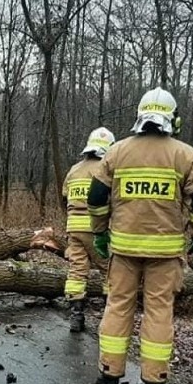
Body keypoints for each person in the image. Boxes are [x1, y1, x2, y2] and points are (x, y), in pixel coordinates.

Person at [87, 88, 193, 384]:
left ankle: (109, 374)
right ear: (173, 118)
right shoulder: (187, 155)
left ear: (139, 115)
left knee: (118, 306)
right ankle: (155, 383)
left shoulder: (116, 152)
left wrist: (100, 233)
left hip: (124, 250)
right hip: (166, 253)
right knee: (159, 312)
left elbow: (96, 198)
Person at [62, 127, 116, 333]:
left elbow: (65, 199)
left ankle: (76, 317)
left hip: (74, 228)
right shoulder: (105, 169)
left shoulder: (73, 170)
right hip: (97, 228)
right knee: (110, 271)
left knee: (76, 272)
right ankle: (108, 317)